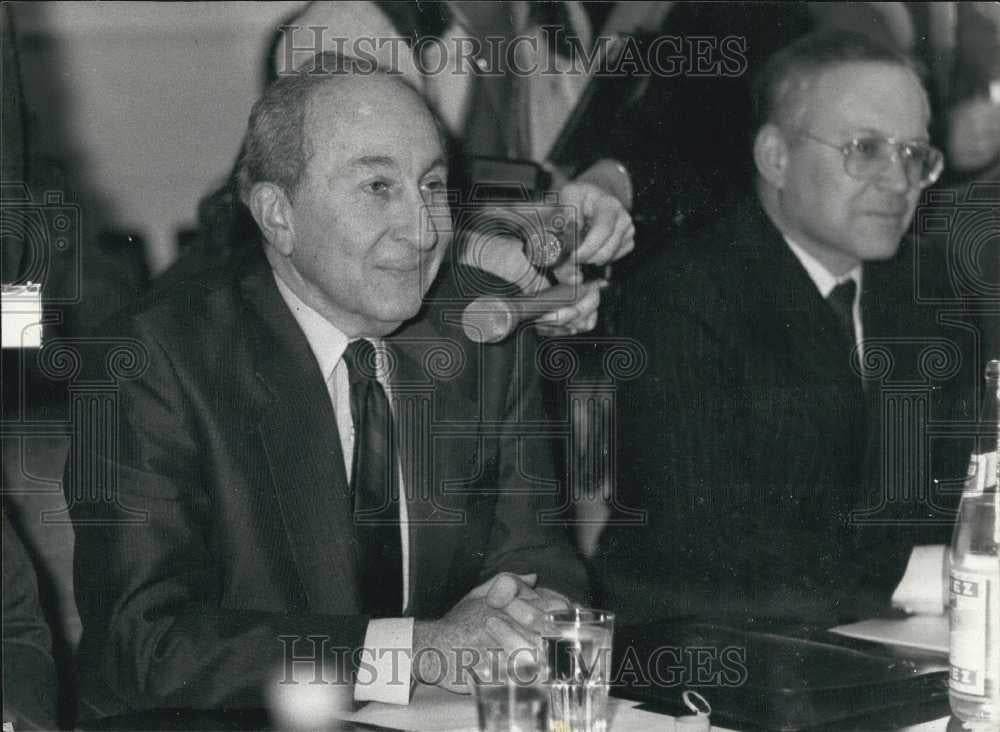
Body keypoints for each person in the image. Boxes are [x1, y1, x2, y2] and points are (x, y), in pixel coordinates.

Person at [68, 53, 589, 719]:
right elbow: (146, 644)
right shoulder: (153, 359)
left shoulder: (481, 333)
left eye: (432, 185)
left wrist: (526, 617)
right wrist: (413, 652)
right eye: (377, 188)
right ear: (276, 215)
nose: (423, 231)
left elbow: (542, 560)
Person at [593, 30, 977, 627]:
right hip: (700, 662)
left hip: (887, 636)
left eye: (913, 154)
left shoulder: (927, 295)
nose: (899, 181)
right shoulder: (686, 294)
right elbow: (710, 541)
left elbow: (966, 482)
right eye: (866, 148)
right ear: (775, 157)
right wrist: (937, 573)